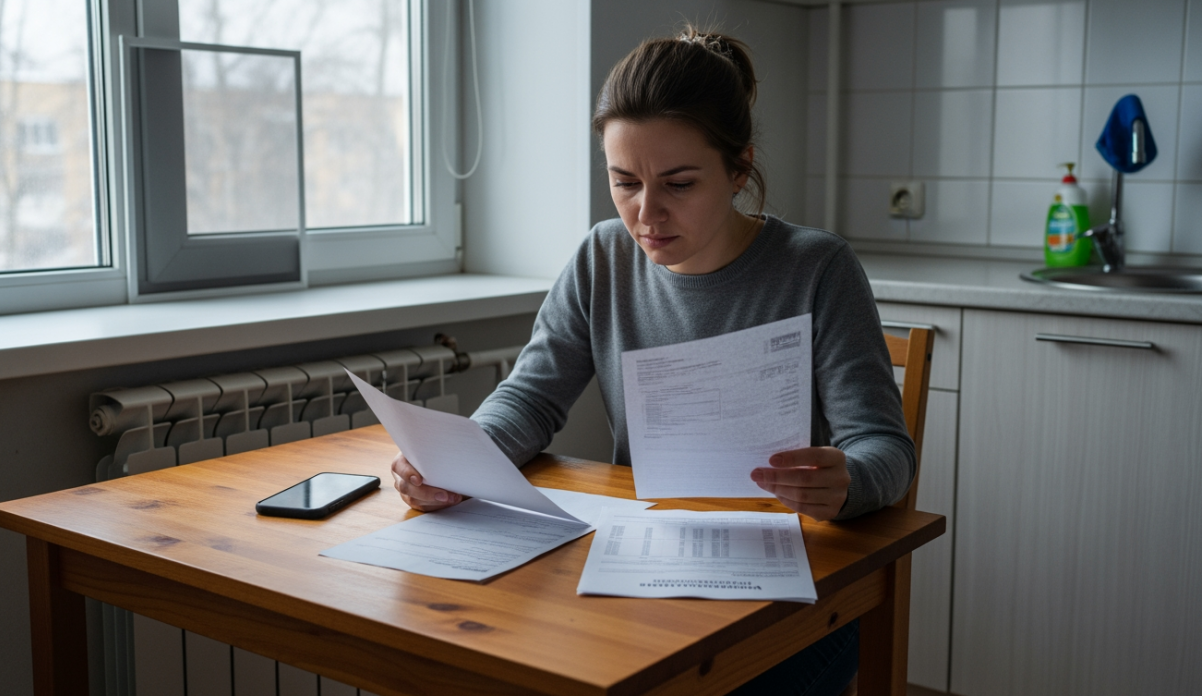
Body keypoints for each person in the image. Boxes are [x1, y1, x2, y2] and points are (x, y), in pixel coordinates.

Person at [391, 26, 914, 696]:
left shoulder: (815, 268)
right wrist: (462, 461)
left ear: (739, 168)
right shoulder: (602, 258)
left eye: (679, 183)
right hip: (643, 570)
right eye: (624, 182)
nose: (646, 214)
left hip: (795, 595)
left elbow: (885, 449)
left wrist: (849, 480)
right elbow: (530, 398)